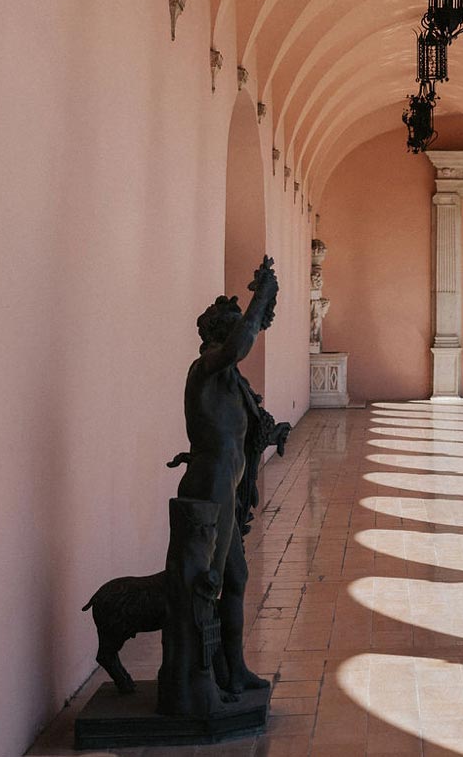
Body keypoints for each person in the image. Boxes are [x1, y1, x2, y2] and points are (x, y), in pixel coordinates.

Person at [171, 255, 278, 701]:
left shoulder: (231, 381)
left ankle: (235, 671)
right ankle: (201, 679)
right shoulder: (205, 370)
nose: (241, 333)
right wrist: (261, 298)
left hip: (227, 487)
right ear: (218, 334)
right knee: (208, 583)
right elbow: (239, 345)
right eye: (233, 328)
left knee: (234, 578)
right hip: (210, 484)